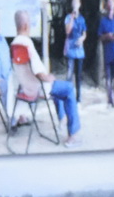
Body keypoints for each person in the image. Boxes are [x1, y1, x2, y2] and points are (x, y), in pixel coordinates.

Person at [14, 11, 80, 146]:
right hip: (39, 88)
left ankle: (62, 118)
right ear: (26, 25)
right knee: (68, 88)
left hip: (26, 88)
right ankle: (72, 135)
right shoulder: (26, 44)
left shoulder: (14, 44)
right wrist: (46, 77)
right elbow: (37, 72)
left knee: (58, 88)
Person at [63, 0, 87, 102]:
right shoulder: (68, 17)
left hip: (79, 50)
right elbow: (67, 31)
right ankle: (67, 95)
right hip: (70, 49)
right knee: (69, 74)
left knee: (78, 75)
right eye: (74, 1)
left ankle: (78, 97)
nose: (75, 3)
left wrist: (82, 39)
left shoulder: (82, 19)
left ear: (80, 4)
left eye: (77, 1)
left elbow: (84, 33)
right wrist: (72, 17)